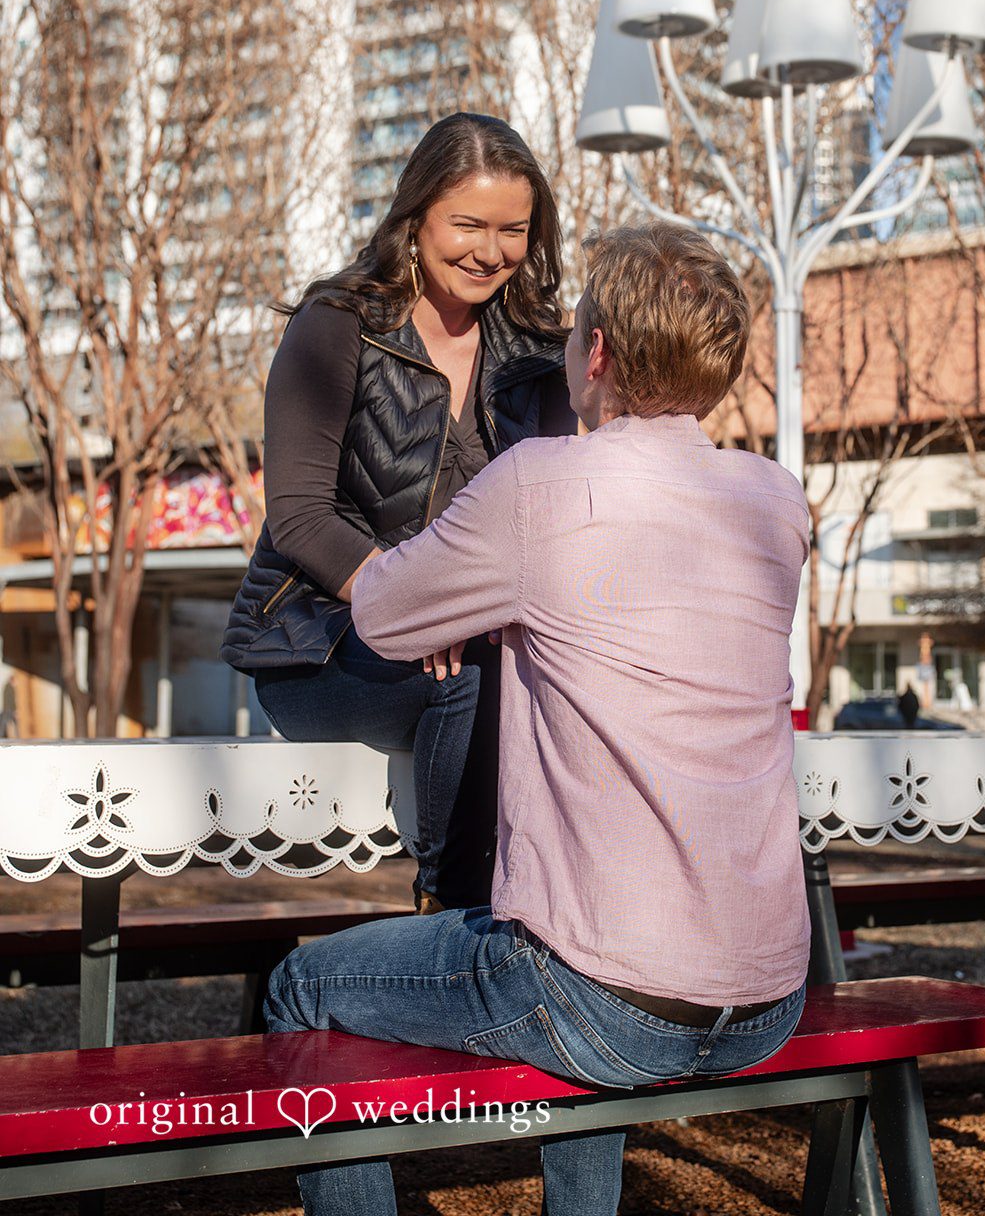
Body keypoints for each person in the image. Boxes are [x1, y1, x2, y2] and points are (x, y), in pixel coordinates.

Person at [265, 222, 812, 1216]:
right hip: (765, 995)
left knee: (306, 987)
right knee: (576, 943)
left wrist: (456, 586)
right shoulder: (774, 502)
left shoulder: (540, 484)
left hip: (606, 1003)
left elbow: (385, 612)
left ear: (594, 353)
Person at [221, 113, 574, 911]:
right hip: (317, 647)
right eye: (469, 225)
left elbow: (547, 523)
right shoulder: (337, 325)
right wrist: (419, 609)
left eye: (513, 230)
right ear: (415, 219)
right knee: (473, 679)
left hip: (477, 642)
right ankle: (452, 919)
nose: (490, 251)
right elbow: (302, 517)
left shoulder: (539, 353)